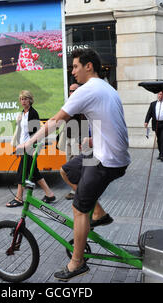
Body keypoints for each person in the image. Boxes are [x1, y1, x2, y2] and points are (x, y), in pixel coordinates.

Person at [16, 48, 130, 281]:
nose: (73, 71)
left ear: (89, 67)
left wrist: (28, 142)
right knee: (67, 171)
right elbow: (111, 123)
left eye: (76, 66)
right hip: (104, 152)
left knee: (78, 209)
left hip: (106, 161)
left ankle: (77, 263)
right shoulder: (106, 87)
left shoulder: (88, 89)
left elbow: (56, 121)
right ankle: (99, 213)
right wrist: (92, 139)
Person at [6, 90, 56, 207]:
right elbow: (21, 132)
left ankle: (18, 198)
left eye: (25, 99)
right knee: (34, 172)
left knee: (22, 172)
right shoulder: (22, 114)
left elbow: (35, 134)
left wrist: (32, 149)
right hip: (23, 146)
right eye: (21, 99)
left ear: (30, 100)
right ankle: (50, 195)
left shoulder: (33, 114)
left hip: (29, 147)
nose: (23, 101)